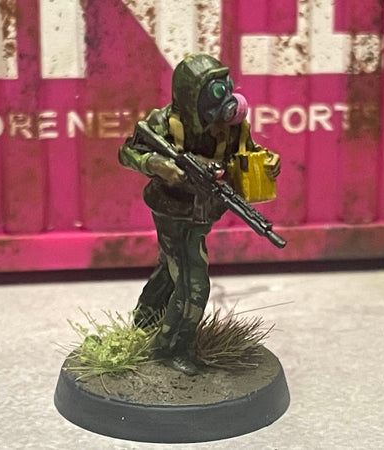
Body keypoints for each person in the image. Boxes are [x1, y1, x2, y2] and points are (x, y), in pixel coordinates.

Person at [118, 54, 281, 375]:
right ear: (192, 95)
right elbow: (128, 151)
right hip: (172, 209)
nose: (227, 99)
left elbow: (247, 152)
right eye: (215, 91)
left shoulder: (232, 126)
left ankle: (145, 320)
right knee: (194, 285)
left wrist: (268, 162)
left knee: (171, 269)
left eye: (227, 86)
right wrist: (157, 165)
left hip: (205, 210)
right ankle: (169, 350)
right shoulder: (164, 122)